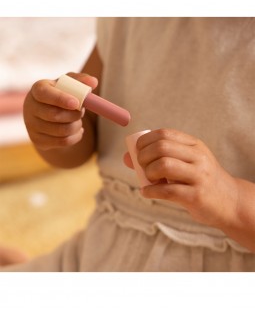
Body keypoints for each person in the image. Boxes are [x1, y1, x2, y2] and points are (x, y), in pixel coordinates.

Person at [2, 17, 255, 271]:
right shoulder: (131, 19)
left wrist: (232, 201)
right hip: (98, 254)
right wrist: (53, 127)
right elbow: (75, 150)